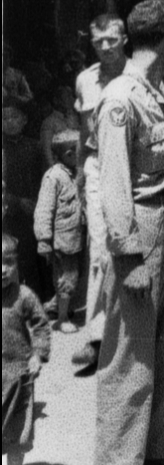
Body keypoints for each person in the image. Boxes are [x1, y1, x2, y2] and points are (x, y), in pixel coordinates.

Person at [94, 0, 164, 465]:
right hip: (140, 228)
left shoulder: (154, 90)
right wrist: (128, 254)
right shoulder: (120, 99)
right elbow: (113, 184)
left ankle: (154, 452)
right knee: (131, 350)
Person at [72, 13, 130, 371]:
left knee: (131, 243)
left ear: (124, 38)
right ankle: (96, 337)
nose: (106, 46)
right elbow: (83, 132)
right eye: (98, 41)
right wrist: (80, 174)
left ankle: (133, 328)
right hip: (97, 165)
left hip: (132, 166)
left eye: (112, 39)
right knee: (99, 249)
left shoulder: (139, 75)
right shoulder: (85, 80)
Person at [2, 233, 51, 465]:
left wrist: (38, 355)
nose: (3, 270)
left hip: (20, 377)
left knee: (18, 435)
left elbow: (41, 326)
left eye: (8, 262)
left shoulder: (24, 296)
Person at [33, 130, 84, 333]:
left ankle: (55, 307)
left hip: (75, 237)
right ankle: (61, 319)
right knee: (67, 277)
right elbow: (44, 209)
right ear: (63, 154)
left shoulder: (75, 173)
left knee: (72, 276)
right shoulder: (54, 176)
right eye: (73, 153)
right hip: (62, 240)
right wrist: (43, 240)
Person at [2, 100, 44, 296]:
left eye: (14, 117)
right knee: (13, 257)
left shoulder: (34, 147)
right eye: (4, 118)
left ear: (24, 120)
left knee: (38, 256)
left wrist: (38, 202)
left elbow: (44, 177)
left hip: (36, 210)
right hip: (10, 214)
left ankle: (40, 299)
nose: (9, 122)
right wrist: (17, 202)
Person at [39, 85, 79, 169]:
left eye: (72, 95)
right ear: (56, 100)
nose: (72, 99)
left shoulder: (74, 118)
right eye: (67, 96)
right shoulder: (49, 123)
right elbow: (47, 152)